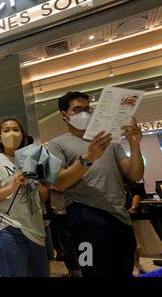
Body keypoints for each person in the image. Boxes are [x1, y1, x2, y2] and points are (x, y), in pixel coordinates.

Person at [47, 91, 144, 277]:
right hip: (84, 218)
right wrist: (88, 157)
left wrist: (134, 144)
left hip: (119, 217)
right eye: (77, 109)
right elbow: (59, 182)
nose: (84, 113)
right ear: (64, 115)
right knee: (91, 270)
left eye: (87, 109)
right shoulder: (56, 144)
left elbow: (135, 174)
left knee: (123, 270)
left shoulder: (110, 141)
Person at [0, 118, 49, 277]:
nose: (12, 133)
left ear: (23, 135)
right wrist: (12, 186)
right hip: (8, 229)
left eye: (16, 129)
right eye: (6, 130)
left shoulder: (33, 160)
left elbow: (41, 198)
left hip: (36, 230)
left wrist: (44, 185)